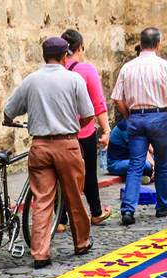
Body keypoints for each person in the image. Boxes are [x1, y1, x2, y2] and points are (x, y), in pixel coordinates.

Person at [3, 36, 93, 265]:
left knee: (42, 200)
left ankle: (40, 253)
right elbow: (88, 114)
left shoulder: (31, 80)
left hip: (40, 146)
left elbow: (9, 111)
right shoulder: (74, 79)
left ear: (44, 56)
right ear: (65, 56)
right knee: (74, 196)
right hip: (67, 144)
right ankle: (81, 243)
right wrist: (73, 128)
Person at [111, 27, 167, 225]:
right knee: (163, 162)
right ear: (158, 45)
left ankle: (128, 209)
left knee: (136, 165)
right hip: (159, 116)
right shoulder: (165, 66)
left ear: (140, 43)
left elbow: (117, 98)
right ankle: (163, 204)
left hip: (136, 118)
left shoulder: (127, 67)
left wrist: (128, 116)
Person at [61, 29, 114, 224]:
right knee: (89, 173)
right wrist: (106, 130)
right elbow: (98, 104)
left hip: (60, 134)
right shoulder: (86, 71)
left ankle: (61, 220)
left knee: (62, 177)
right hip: (83, 133)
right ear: (80, 48)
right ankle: (96, 212)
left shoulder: (53, 71)